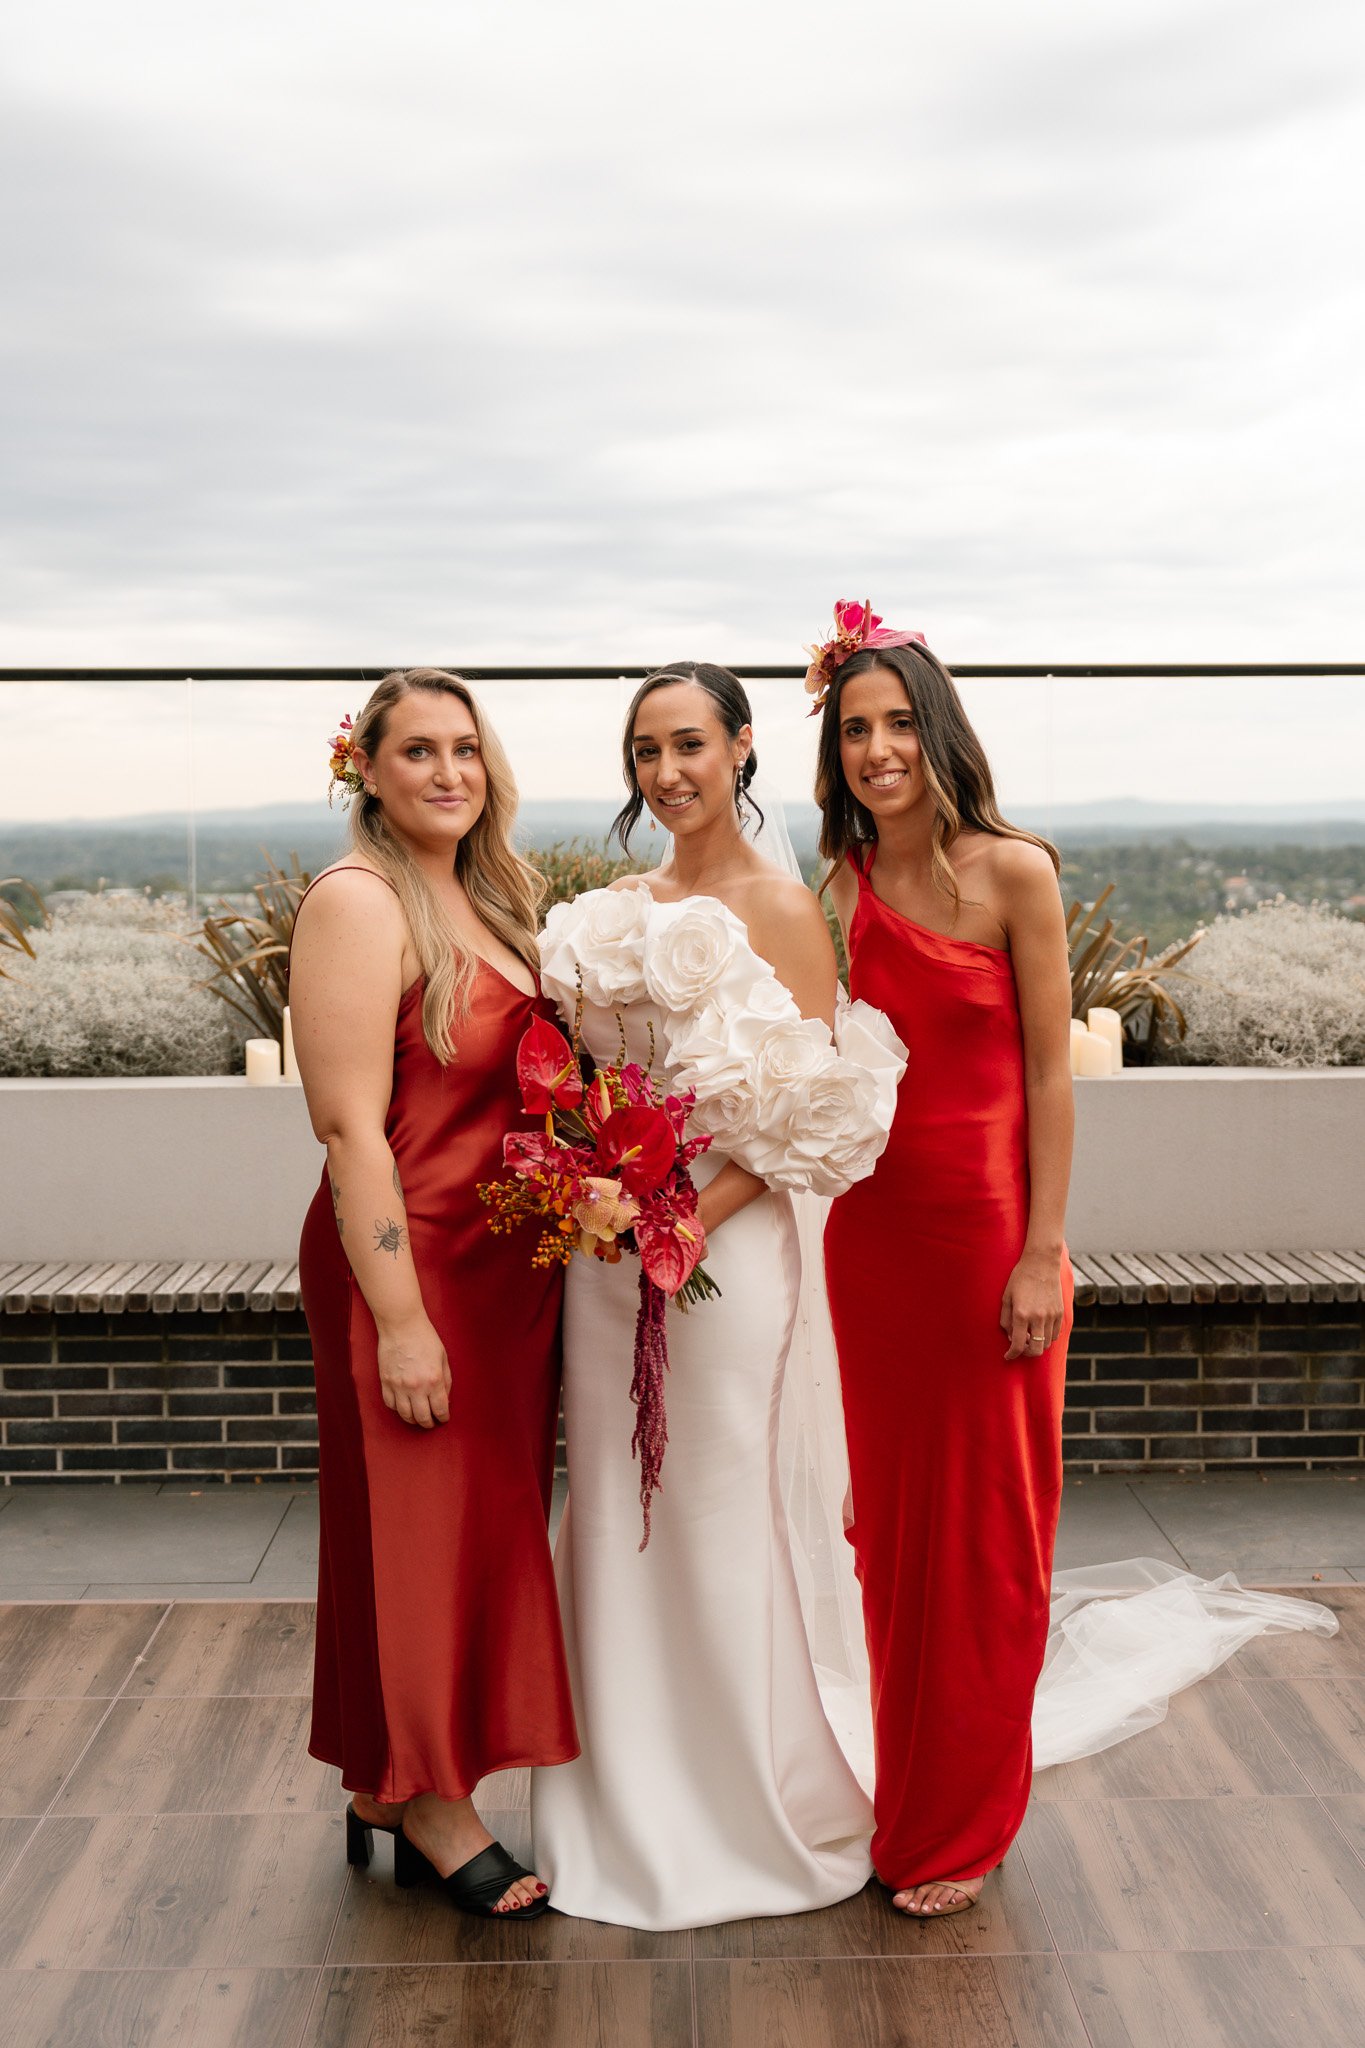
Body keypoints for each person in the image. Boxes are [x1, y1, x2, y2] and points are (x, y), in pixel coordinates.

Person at [527, 662, 906, 1930]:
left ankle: (748, 1800)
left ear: (742, 749)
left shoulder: (785, 908)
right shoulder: (613, 909)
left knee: (715, 1497)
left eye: (690, 743)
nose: (667, 771)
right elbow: (580, 1075)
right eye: (646, 750)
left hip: (722, 1249)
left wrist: (676, 1215)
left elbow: (803, 1110)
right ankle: (621, 1800)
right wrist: (594, 1180)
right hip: (605, 1249)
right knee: (613, 1504)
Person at [291, 667, 577, 1921]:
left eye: (467, 748)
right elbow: (350, 1128)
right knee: (416, 1531)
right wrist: (400, 1318)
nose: (449, 771)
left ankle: (383, 1781)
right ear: (368, 768)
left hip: (504, 1273)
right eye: (418, 751)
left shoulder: (491, 898)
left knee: (473, 1532)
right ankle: (437, 1803)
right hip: (402, 1267)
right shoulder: (358, 902)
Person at [812, 603, 1075, 1918]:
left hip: (987, 1253)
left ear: (939, 727)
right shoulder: (836, 889)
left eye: (898, 721)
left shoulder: (1015, 872)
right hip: (872, 1252)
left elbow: (1047, 1073)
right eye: (855, 727)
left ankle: (965, 1817)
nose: (877, 748)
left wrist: (1044, 1251)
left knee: (988, 1545)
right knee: (896, 1544)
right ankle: (908, 1796)